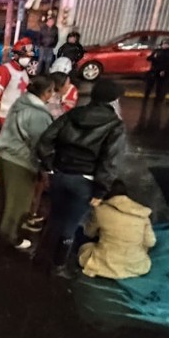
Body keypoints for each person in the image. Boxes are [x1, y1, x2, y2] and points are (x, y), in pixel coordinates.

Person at [35, 78, 127, 277]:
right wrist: (101, 190)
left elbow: (45, 140)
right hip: (85, 181)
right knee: (71, 223)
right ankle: (58, 266)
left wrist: (49, 166)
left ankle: (39, 256)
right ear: (113, 100)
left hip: (60, 174)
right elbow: (110, 161)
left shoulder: (73, 115)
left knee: (56, 216)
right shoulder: (115, 126)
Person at [0, 75, 56, 250]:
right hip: (21, 160)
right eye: (51, 91)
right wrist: (46, 169)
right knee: (19, 202)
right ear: (46, 93)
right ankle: (9, 236)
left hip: (6, 154)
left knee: (6, 197)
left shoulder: (21, 103)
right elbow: (40, 144)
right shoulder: (38, 114)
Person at [0, 37, 34, 191]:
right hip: (2, 117)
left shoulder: (24, 74)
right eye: (25, 56)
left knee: (7, 152)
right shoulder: (4, 70)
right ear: (16, 55)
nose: (27, 59)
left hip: (15, 118)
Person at [77, 180, 156, 279]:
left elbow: (89, 233)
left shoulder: (100, 210)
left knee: (82, 242)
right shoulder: (142, 214)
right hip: (136, 265)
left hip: (104, 262)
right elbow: (150, 243)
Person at [145, 38, 169, 103]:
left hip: (162, 72)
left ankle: (158, 99)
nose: (165, 45)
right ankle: (146, 97)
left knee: (159, 86)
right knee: (149, 85)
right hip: (154, 70)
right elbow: (149, 58)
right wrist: (154, 57)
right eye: (164, 44)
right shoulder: (157, 51)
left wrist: (164, 70)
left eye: (166, 44)